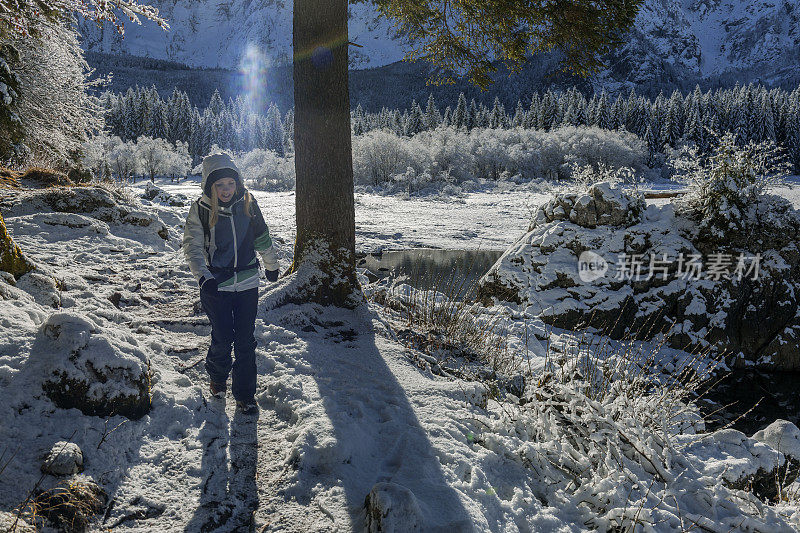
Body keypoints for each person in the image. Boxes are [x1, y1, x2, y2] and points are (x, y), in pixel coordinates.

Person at [182, 152, 279, 414]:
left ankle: (246, 395)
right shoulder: (201, 210)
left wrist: (271, 265)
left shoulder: (248, 203)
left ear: (237, 183)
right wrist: (204, 277)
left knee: (245, 340)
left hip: (247, 283)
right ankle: (217, 376)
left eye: (230, 184)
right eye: (220, 185)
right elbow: (192, 247)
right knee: (223, 337)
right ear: (210, 186)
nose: (226, 190)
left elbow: (262, 237)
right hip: (216, 285)